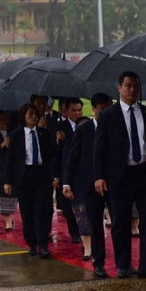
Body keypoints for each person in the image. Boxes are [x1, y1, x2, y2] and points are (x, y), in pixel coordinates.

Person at [93, 71, 146, 279]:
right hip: (119, 175)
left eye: (136, 86)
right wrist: (99, 176)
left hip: (145, 173)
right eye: (128, 86)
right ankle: (123, 265)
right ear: (119, 88)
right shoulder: (108, 116)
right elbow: (99, 149)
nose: (132, 90)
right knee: (121, 221)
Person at [64, 94, 113, 277]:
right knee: (95, 224)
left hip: (113, 183)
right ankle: (98, 262)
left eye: (108, 107)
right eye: (101, 108)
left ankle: (123, 263)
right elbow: (73, 156)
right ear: (93, 109)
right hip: (90, 184)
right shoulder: (84, 129)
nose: (105, 111)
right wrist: (67, 181)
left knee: (119, 223)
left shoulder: (115, 128)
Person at [5, 103, 57, 258]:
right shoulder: (16, 135)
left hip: (41, 175)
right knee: (27, 212)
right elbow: (11, 159)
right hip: (25, 175)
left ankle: (43, 245)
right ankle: (32, 244)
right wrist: (7, 181)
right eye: (30, 114)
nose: (34, 117)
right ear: (23, 116)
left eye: (36, 114)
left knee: (42, 211)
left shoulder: (44, 134)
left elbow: (52, 155)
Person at [54, 98, 85, 244]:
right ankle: (75, 232)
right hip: (65, 170)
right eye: (74, 110)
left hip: (83, 170)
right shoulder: (59, 127)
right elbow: (54, 154)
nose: (77, 113)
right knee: (68, 205)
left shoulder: (87, 125)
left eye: (79, 110)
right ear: (66, 110)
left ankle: (84, 231)